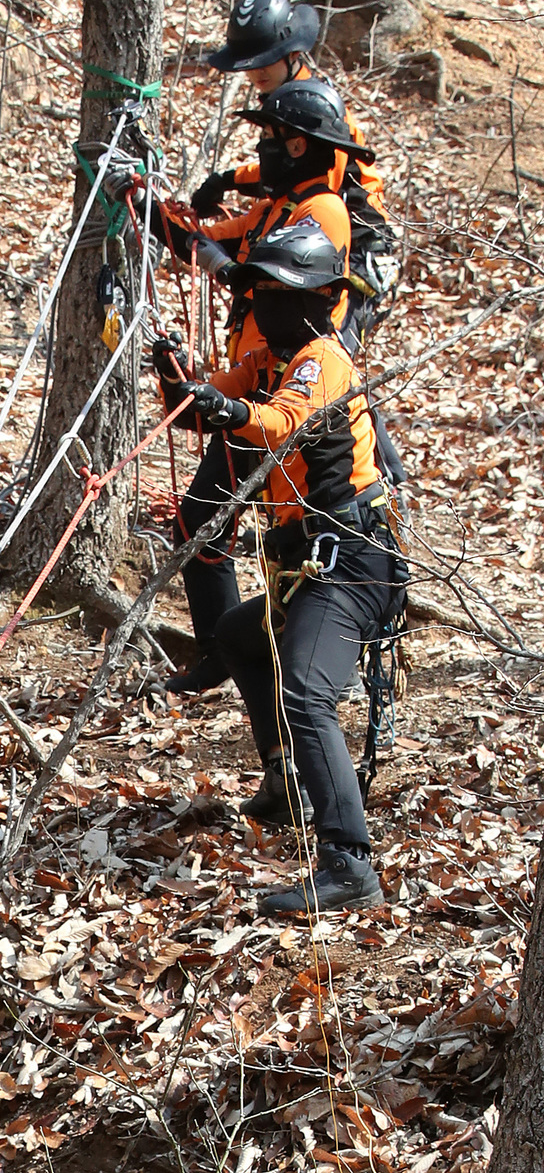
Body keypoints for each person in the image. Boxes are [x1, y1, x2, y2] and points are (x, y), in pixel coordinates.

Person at [154, 220, 407, 918]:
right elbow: (202, 407)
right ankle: (284, 780)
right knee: (239, 636)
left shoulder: (322, 360)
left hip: (354, 563)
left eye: (275, 291)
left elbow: (279, 422)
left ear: (317, 297)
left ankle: (349, 862)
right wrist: (179, 379)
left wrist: (231, 408)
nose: (262, 303)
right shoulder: (273, 357)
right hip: (313, 566)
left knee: (306, 691)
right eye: (256, 290)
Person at [146, 82, 361, 692]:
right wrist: (146, 205)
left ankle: (285, 662)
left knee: (276, 529)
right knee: (206, 525)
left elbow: (242, 264)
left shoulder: (317, 212)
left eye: (270, 139)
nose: (261, 150)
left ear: (298, 145)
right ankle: (231, 651)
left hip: (284, 403)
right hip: (252, 390)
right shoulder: (277, 206)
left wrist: (231, 403)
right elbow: (213, 247)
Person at [191, 0, 399, 354]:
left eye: (265, 61)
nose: (255, 72)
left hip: (357, 252)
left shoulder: (318, 112)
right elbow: (281, 174)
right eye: (248, 62)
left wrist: (231, 181)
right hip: (317, 243)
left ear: (291, 54)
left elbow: (313, 186)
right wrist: (227, 181)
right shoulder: (283, 100)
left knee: (322, 361)